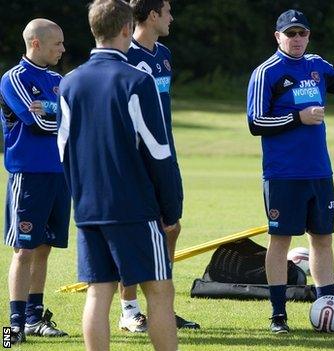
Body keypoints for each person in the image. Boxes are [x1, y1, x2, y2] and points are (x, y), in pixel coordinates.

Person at [246, 9, 334, 334]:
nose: (297, 39)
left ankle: (329, 306)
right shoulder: (267, 72)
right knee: (280, 241)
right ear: (278, 36)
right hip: (283, 174)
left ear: (308, 36)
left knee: (322, 239)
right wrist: (299, 117)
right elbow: (256, 123)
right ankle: (278, 316)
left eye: (302, 33)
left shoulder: (316, 65)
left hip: (319, 172)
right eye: (291, 33)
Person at [57, 0, 180, 349]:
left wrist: (82, 198)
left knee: (98, 293)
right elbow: (158, 152)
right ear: (127, 29)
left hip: (89, 208)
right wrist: (170, 209)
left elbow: (63, 150)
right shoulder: (138, 80)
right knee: (159, 290)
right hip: (135, 208)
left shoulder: (69, 82)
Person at [118, 0, 199, 332]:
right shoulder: (125, 55)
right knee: (136, 233)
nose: (171, 17)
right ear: (152, 16)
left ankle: (161, 310)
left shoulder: (164, 54)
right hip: (135, 161)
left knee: (171, 227)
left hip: (166, 156)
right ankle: (128, 311)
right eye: (167, 11)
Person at [0, 18, 69, 345]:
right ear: (36, 43)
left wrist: (55, 113)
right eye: (57, 43)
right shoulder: (13, 79)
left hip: (60, 175)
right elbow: (37, 120)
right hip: (28, 175)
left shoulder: (58, 79)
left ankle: (33, 318)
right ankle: (11, 327)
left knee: (44, 248)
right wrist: (59, 117)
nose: (63, 49)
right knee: (24, 250)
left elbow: (72, 117)